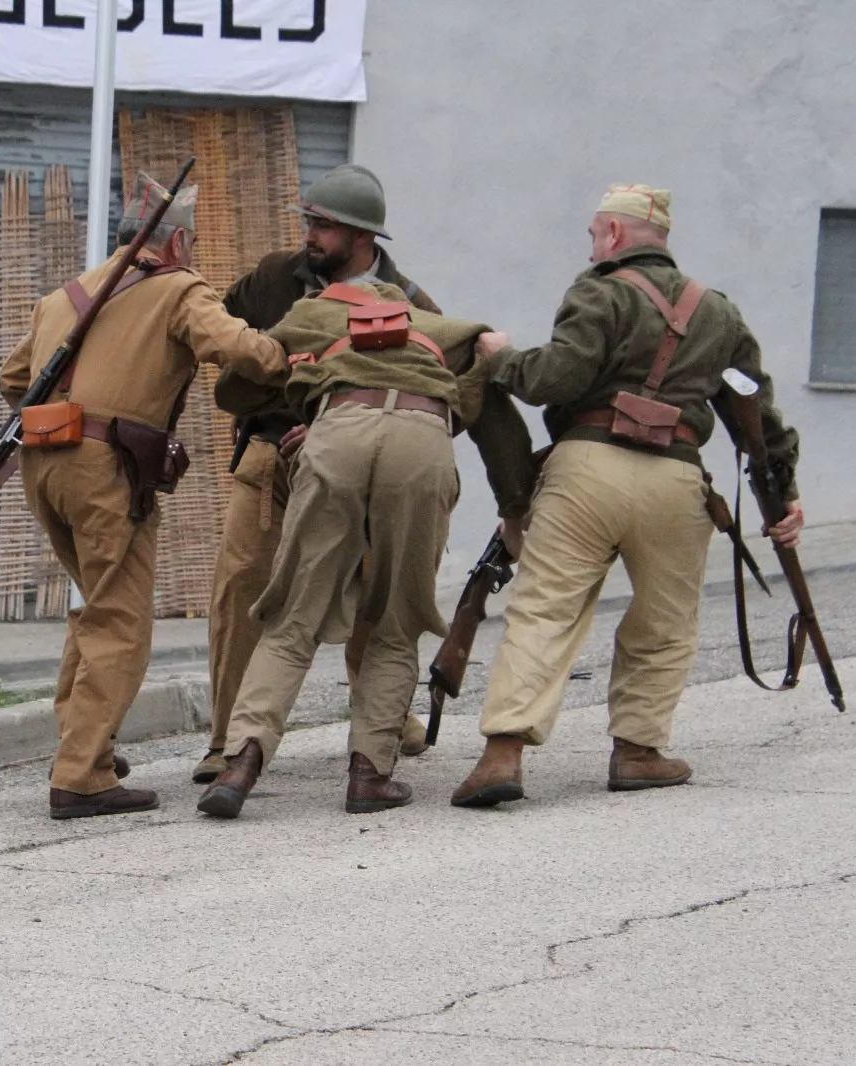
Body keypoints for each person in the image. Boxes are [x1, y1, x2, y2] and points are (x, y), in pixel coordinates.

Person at [451, 185, 803, 808]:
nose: (591, 246)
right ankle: (638, 752)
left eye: (593, 234)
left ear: (613, 233)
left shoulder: (599, 291)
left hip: (587, 468)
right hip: (676, 478)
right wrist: (786, 494)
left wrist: (502, 358)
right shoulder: (719, 313)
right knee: (666, 620)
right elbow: (757, 416)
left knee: (545, 608)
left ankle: (502, 754)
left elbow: (554, 378)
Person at [0, 175, 288, 819]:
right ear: (177, 240)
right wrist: (292, 355)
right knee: (122, 620)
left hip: (43, 463)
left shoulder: (64, 296)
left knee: (97, 608)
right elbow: (238, 349)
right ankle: (80, 778)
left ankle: (84, 747)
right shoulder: (178, 288)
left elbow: (12, 379)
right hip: (105, 469)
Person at [197, 282, 536, 818]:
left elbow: (234, 391)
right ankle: (369, 776)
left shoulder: (312, 312)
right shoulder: (452, 332)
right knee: (396, 621)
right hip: (423, 442)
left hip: (339, 434)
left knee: (291, 616)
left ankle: (240, 764)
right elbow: (498, 425)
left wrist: (309, 392)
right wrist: (515, 507)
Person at [196, 164, 444, 785]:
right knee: (242, 592)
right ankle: (228, 742)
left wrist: (340, 424)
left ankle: (385, 723)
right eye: (308, 221)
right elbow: (220, 333)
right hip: (270, 458)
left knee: (375, 594)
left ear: (362, 237)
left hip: (358, 469)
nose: (310, 234)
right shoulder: (277, 278)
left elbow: (437, 385)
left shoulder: (411, 302)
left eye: (322, 226)